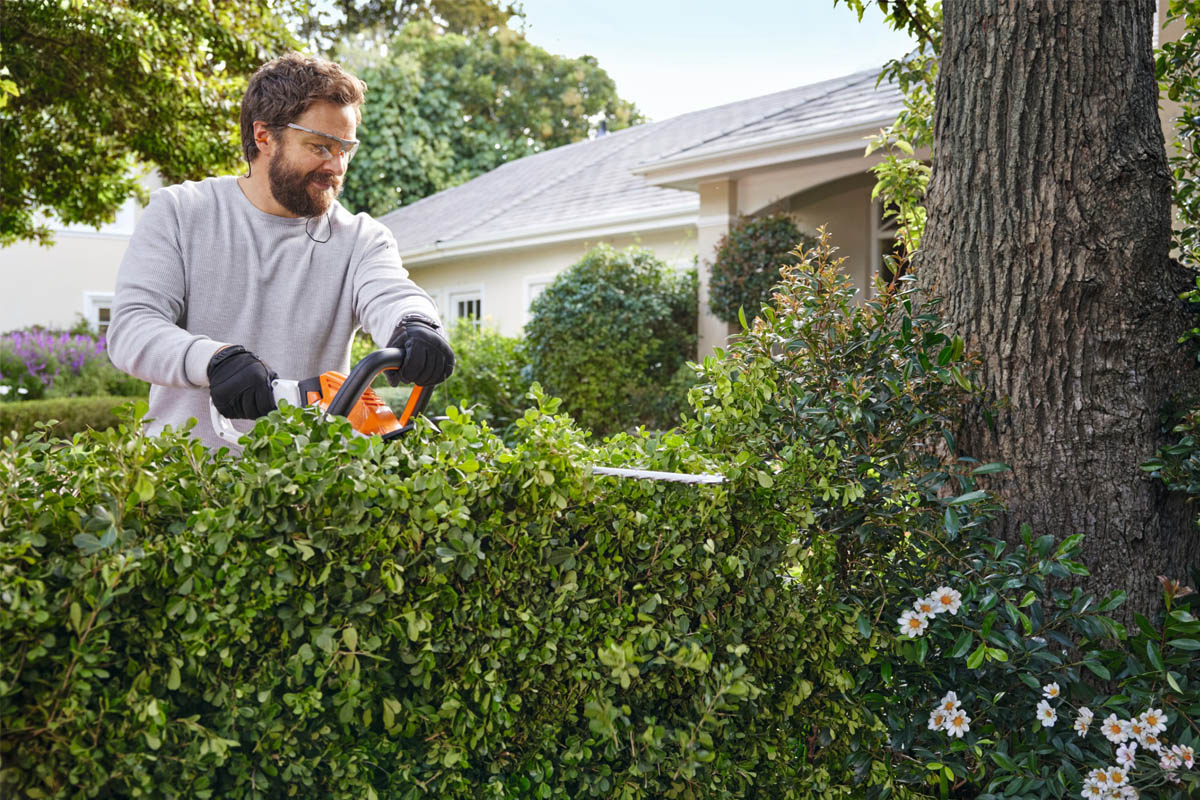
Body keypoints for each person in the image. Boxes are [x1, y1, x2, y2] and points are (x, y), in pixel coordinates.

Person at [108, 53, 453, 450]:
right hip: (185, 483)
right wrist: (214, 360)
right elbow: (132, 329)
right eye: (321, 147)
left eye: (346, 149)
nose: (337, 167)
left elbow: (393, 293)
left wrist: (417, 324)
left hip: (308, 486)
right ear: (264, 136)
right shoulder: (181, 213)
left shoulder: (360, 237)